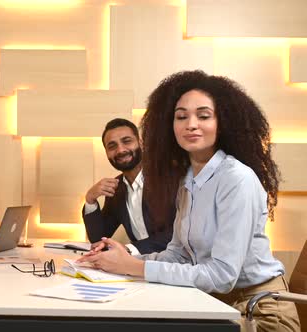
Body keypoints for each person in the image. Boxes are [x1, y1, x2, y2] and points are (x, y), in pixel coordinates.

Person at [78, 70, 299, 331]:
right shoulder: (187, 182)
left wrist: (135, 267)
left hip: (258, 311)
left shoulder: (236, 178)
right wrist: (121, 262)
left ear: (222, 122)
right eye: (181, 116)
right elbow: (177, 254)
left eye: (203, 115)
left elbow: (222, 276)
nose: (191, 124)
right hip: (214, 305)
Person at [83, 118, 174, 255]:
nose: (120, 150)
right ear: (107, 153)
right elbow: (98, 238)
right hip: (137, 265)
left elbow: (179, 234)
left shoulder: (170, 178)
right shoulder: (116, 188)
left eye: (127, 141)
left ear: (141, 143)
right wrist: (90, 200)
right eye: (112, 146)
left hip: (177, 266)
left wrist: (129, 249)